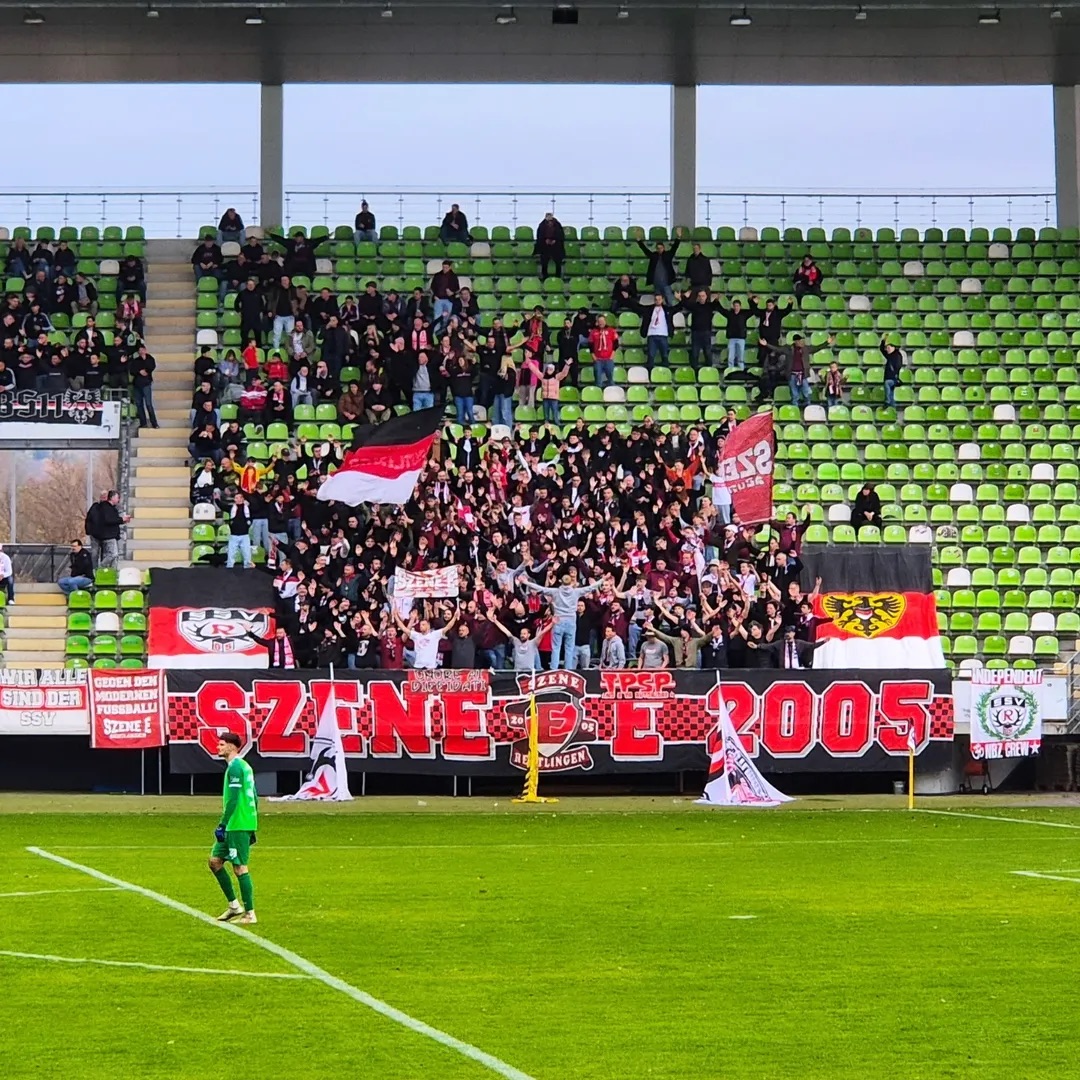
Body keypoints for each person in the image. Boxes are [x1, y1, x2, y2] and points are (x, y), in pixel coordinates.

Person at [208, 731, 259, 926]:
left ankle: (250, 913)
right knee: (214, 861)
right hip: (239, 823)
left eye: (221, 744)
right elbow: (254, 796)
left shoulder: (237, 768)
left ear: (232, 746)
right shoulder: (242, 766)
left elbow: (234, 799)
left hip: (236, 824)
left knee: (239, 867)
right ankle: (234, 906)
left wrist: (223, 823)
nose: (218, 747)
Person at [522, 572, 602, 671]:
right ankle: (568, 669)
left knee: (556, 647)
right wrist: (603, 579)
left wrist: (526, 582)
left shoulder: (555, 591)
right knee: (569, 648)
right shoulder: (576, 592)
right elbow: (591, 587)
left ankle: (554, 669)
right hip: (571, 622)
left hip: (558, 621)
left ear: (561, 582)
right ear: (571, 583)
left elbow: (540, 588)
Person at [757, 334, 835, 407]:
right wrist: (767, 344)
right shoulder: (788, 349)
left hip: (803, 375)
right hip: (792, 375)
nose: (802, 342)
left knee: (806, 392)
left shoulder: (806, 349)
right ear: (796, 341)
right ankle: (795, 408)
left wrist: (826, 343)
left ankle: (808, 406)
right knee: (794, 394)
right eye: (800, 341)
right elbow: (778, 349)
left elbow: (817, 348)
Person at [636, 229, 682, 306]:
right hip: (656, 283)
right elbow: (645, 250)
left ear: (664, 248)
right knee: (658, 301)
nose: (659, 249)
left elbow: (675, 247)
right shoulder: (653, 256)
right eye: (658, 248)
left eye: (661, 248)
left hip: (666, 282)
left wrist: (678, 237)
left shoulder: (668, 255)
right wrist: (639, 241)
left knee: (670, 300)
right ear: (656, 249)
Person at [84, 490, 127, 569]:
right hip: (96, 534)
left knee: (106, 554)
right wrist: (89, 531)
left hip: (104, 534)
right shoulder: (96, 507)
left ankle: (103, 571)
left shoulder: (111, 508)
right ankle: (96, 570)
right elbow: (90, 519)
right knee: (95, 554)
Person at [715, 296, 751, 371]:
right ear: (733, 306)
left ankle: (741, 371)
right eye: (735, 306)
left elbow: (753, 311)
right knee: (730, 357)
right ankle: (730, 370)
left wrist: (750, 300)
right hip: (732, 338)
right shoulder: (729, 314)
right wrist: (716, 301)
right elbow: (721, 310)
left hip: (741, 338)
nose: (736, 307)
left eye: (737, 306)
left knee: (740, 357)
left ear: (740, 306)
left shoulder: (744, 314)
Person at [640, 293, 675, 369]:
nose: (657, 301)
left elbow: (678, 308)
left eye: (659, 299)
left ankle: (665, 375)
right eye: (656, 299)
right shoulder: (649, 309)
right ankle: (650, 375)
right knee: (651, 356)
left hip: (663, 335)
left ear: (662, 300)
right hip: (651, 335)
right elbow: (637, 307)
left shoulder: (667, 309)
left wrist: (681, 299)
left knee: (665, 356)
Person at [587, 316, 619, 389]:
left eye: (602, 321)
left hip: (608, 359)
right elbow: (590, 345)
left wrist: (612, 356)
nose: (601, 322)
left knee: (610, 379)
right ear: (597, 322)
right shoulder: (593, 332)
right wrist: (593, 357)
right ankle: (598, 396)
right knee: (598, 380)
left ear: (605, 321)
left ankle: (611, 394)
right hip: (598, 360)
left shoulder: (611, 330)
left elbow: (616, 343)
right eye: (599, 321)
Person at [131, 345, 159, 429]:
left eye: (142, 350)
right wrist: (139, 371)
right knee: (139, 404)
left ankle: (154, 423)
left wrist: (145, 369)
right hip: (137, 384)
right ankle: (143, 423)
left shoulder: (150, 359)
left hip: (146, 383)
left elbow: (151, 367)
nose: (141, 352)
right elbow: (132, 370)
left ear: (145, 350)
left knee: (148, 404)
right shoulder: (135, 361)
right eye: (139, 350)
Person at [226, 493, 255, 569]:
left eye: (240, 497)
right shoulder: (231, 508)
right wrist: (216, 499)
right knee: (231, 554)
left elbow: (257, 506)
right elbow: (222, 505)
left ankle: (248, 569)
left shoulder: (249, 508)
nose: (238, 499)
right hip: (233, 535)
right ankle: (229, 568)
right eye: (236, 498)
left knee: (247, 554)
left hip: (245, 535)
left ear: (243, 499)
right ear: (234, 499)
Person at [534, 212, 566, 280]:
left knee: (558, 262)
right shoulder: (542, 225)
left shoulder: (557, 224)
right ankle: (544, 276)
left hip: (556, 246)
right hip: (545, 247)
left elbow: (561, 235)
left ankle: (558, 276)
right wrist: (545, 240)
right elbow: (539, 236)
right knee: (544, 262)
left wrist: (555, 240)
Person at [881, 335, 905, 408]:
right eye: (887, 348)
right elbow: (882, 349)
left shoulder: (897, 355)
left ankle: (887, 401)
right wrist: (883, 341)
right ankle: (893, 411)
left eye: (888, 348)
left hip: (893, 378)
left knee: (887, 383)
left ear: (893, 348)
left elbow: (898, 366)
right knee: (891, 395)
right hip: (888, 377)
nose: (887, 349)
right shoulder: (889, 355)